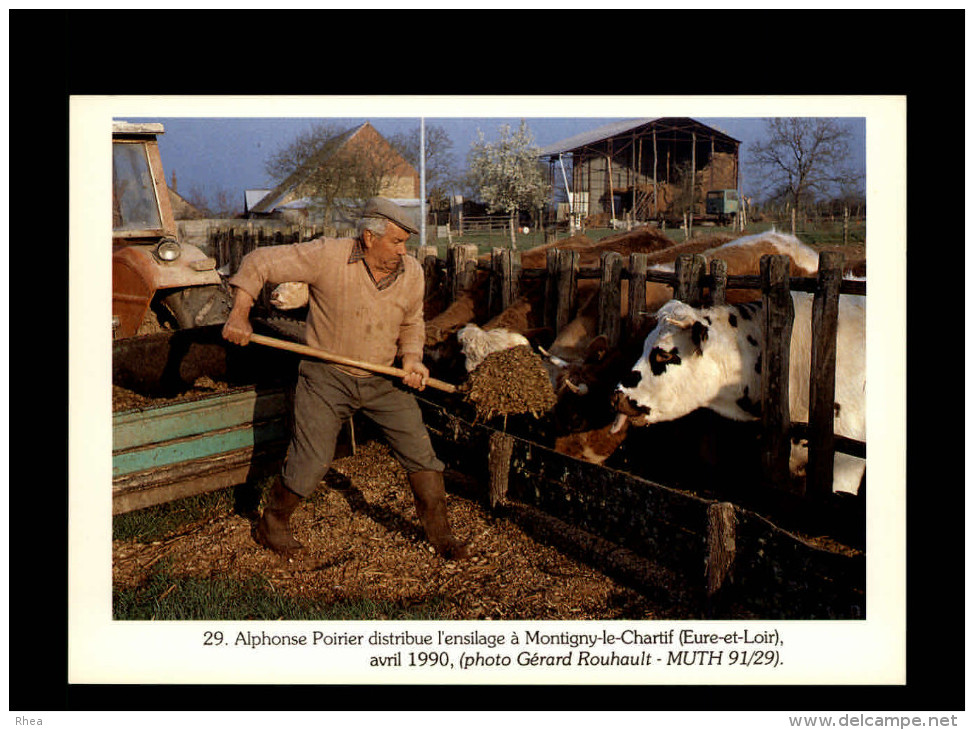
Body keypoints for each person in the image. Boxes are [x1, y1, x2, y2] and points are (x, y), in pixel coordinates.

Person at [222, 197, 468, 561]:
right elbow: (258, 262)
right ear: (369, 237)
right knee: (312, 460)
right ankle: (272, 523)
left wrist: (413, 360)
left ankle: (441, 535)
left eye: (406, 243)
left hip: (384, 378)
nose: (404, 250)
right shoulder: (328, 256)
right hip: (327, 377)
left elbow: (412, 321)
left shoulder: (411, 272)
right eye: (397, 242)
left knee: (421, 454)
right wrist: (240, 314)